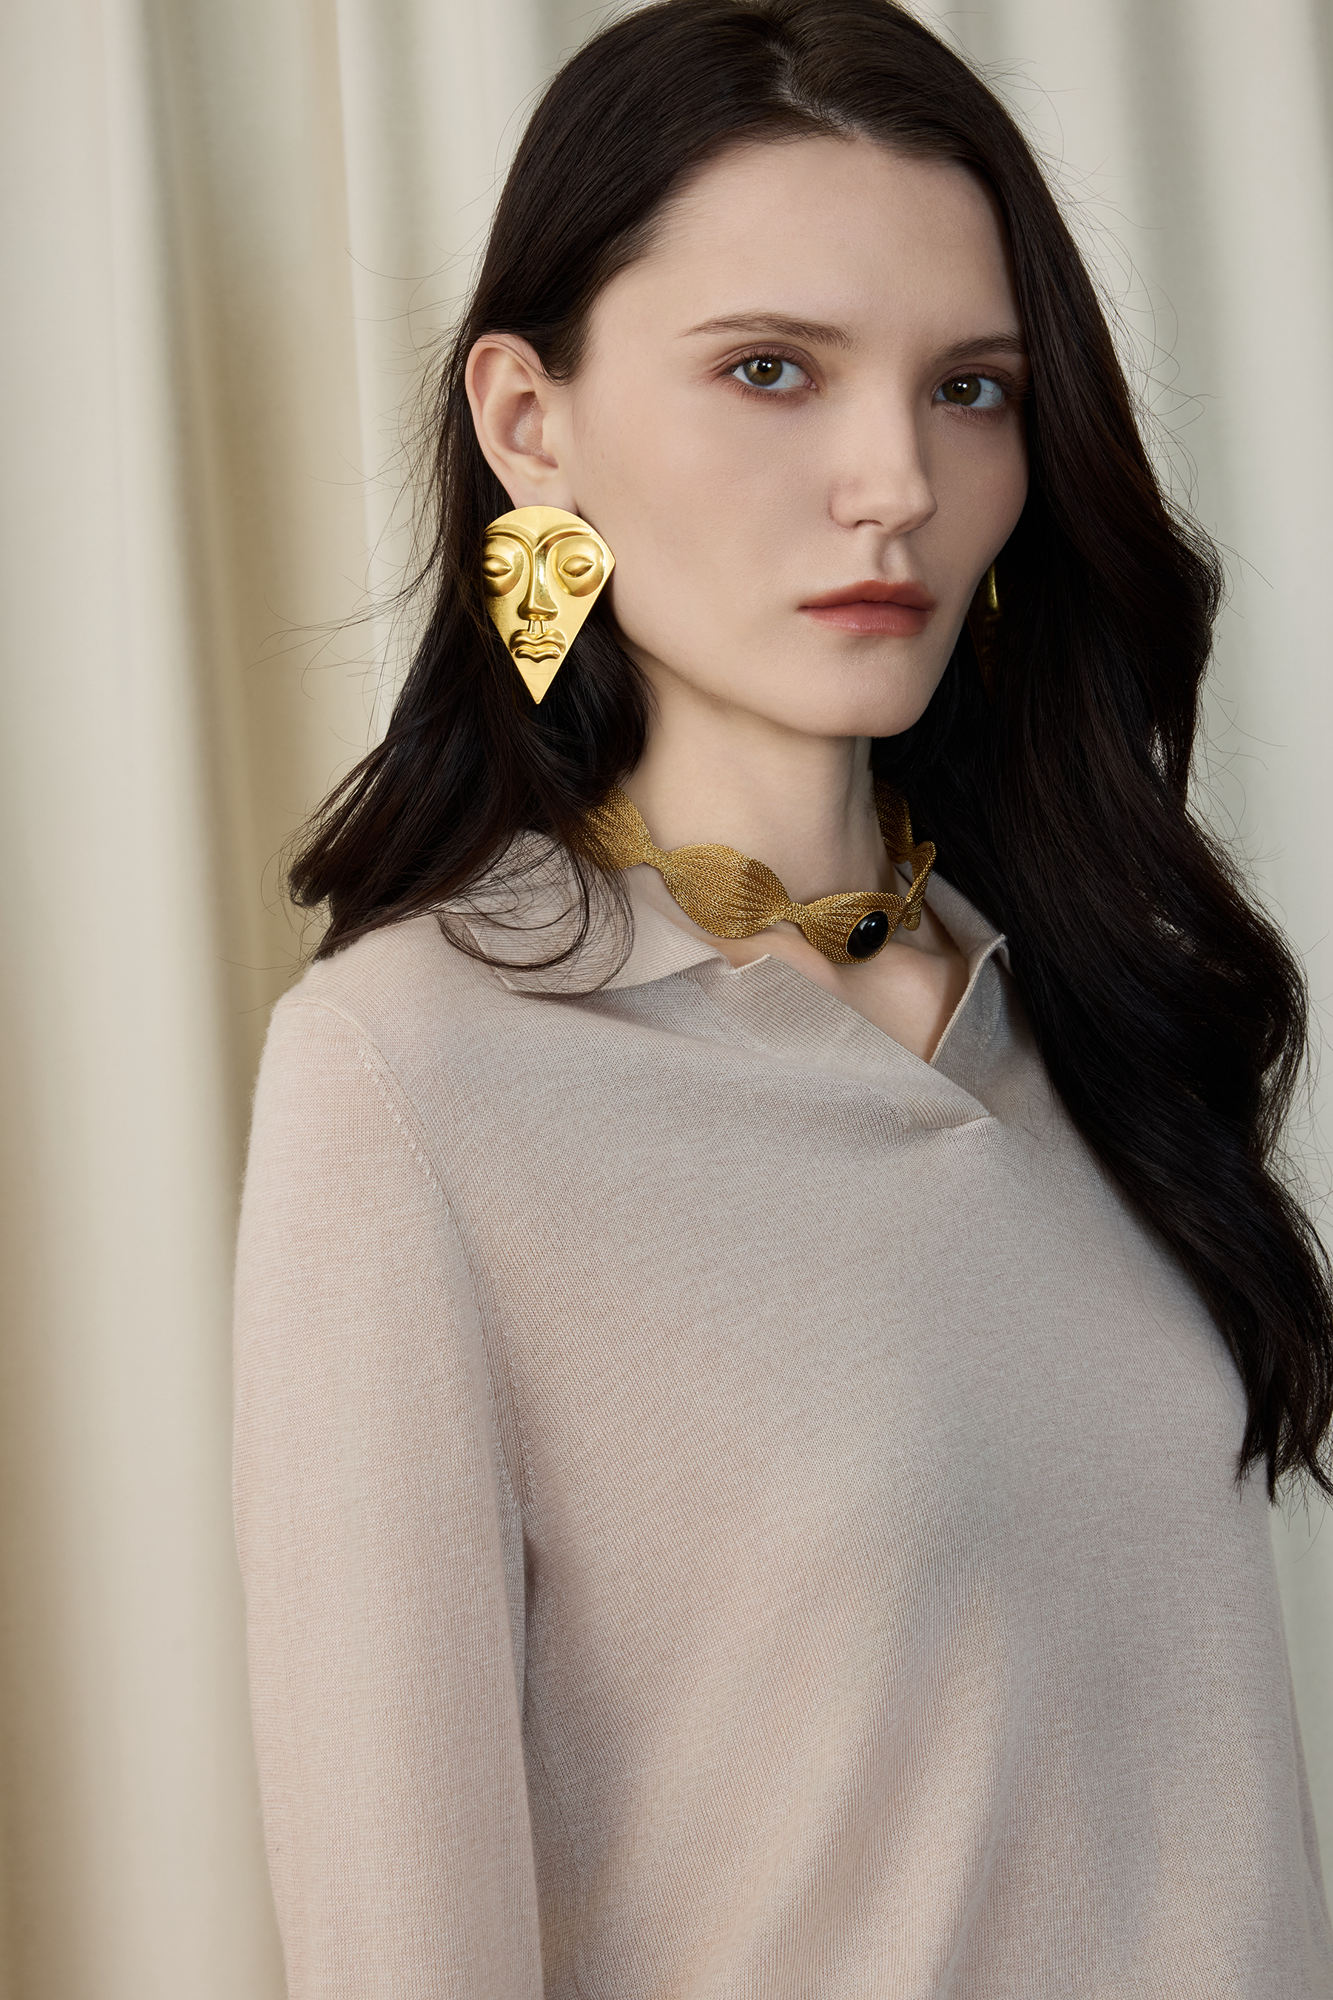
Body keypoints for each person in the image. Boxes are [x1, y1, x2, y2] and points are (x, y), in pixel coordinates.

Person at [230, 2, 1333, 1994]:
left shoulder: (1092, 999)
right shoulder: (414, 1073)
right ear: (529, 423)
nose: (892, 479)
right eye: (769, 370)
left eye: (970, 389)